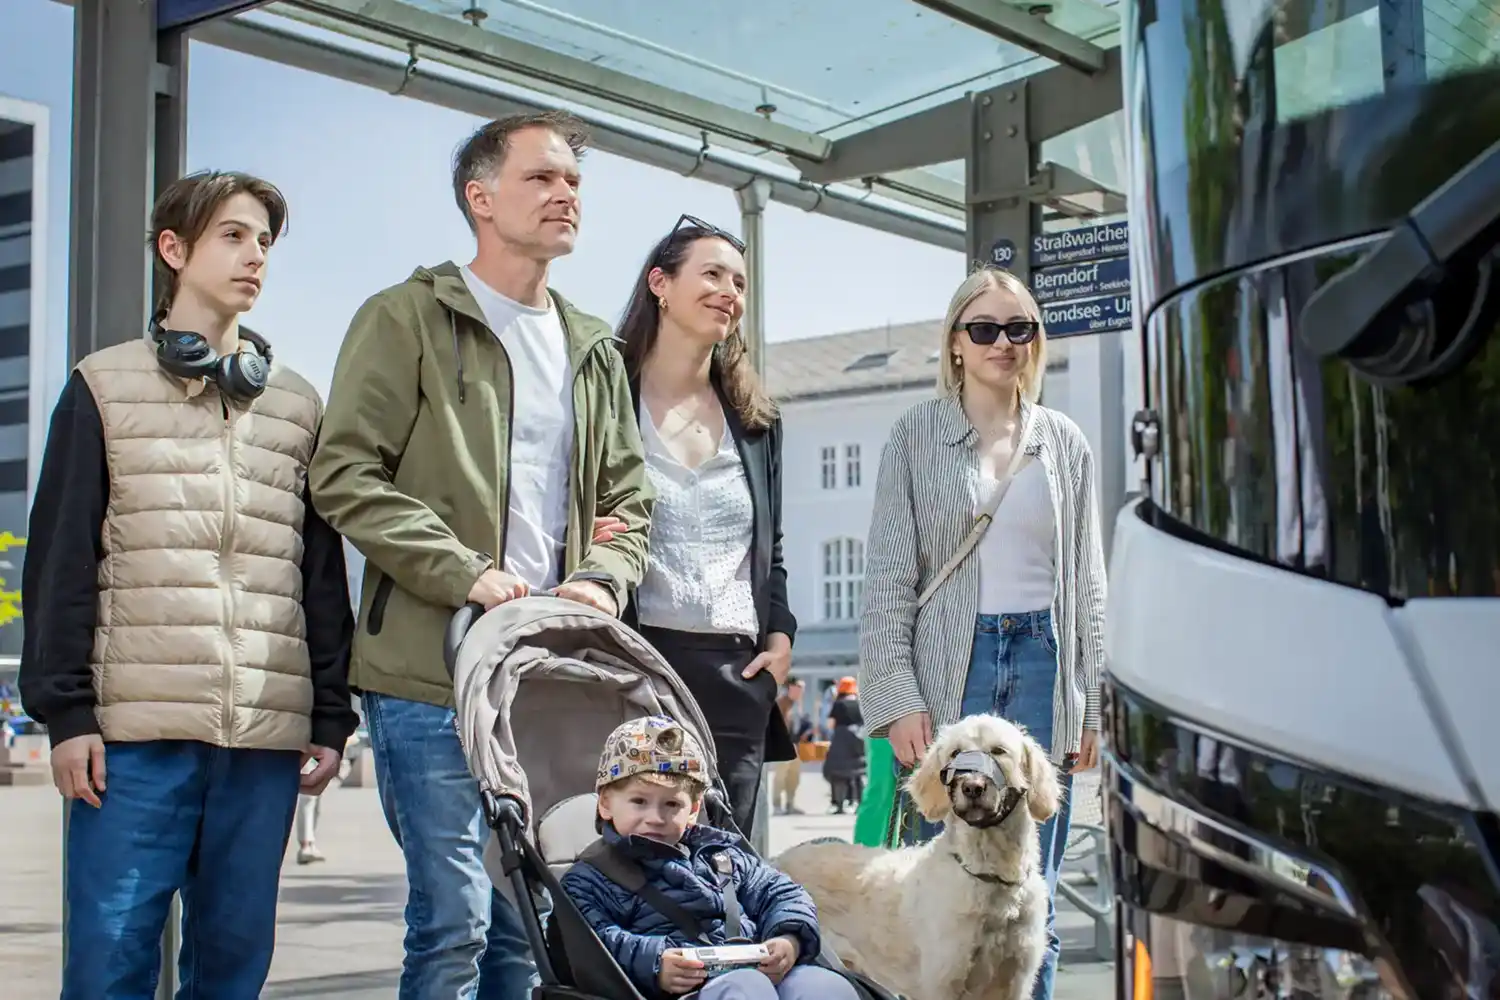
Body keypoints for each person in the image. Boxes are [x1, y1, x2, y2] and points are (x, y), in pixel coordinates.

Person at [307, 110, 654, 1000]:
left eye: (574, 181)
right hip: (428, 673)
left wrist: (600, 580)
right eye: (542, 178)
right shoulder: (405, 318)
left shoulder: (594, 349)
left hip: (545, 679)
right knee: (455, 921)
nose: (565, 194)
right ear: (481, 196)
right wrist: (465, 570)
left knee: (526, 927)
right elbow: (343, 473)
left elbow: (626, 500)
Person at [18, 170, 359, 998]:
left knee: (234, 968)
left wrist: (328, 712)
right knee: (109, 965)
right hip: (134, 741)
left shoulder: (297, 404)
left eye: (265, 242)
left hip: (262, 744)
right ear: (174, 249)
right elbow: (61, 560)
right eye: (233, 236)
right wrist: (66, 713)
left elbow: (318, 573)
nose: (255, 257)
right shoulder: (102, 386)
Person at [859, 263, 1107, 1000]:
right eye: (986, 329)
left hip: (1042, 660)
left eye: (1019, 329)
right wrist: (897, 696)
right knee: (939, 894)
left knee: (1037, 893)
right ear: (956, 344)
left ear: (1036, 341)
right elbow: (887, 579)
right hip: (950, 663)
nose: (1004, 343)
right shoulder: (915, 435)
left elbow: (1088, 581)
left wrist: (1092, 699)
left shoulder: (1063, 441)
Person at [614, 215, 797, 838]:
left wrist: (780, 638)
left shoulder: (756, 420)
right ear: (660, 283)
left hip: (736, 671)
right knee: (637, 863)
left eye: (739, 282)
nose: (730, 292)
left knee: (726, 865)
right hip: (639, 662)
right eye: (712, 274)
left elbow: (769, 547)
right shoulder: (608, 396)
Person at [560, 716, 858, 1000]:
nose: (655, 817)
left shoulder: (721, 858)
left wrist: (788, 939)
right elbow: (595, 941)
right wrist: (655, 963)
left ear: (693, 810)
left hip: (748, 971)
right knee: (745, 987)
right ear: (606, 804)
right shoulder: (591, 878)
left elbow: (783, 893)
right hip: (671, 989)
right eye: (639, 801)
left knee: (824, 985)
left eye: (672, 804)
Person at [821, 677, 865, 814]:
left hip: (840, 741)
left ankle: (839, 804)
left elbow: (830, 724)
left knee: (838, 774)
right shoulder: (859, 703)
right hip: (857, 741)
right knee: (858, 773)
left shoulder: (839, 704)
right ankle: (860, 804)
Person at [771, 676, 807, 815]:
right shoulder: (782, 702)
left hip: (795, 744)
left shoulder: (797, 703)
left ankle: (790, 804)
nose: (800, 692)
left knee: (794, 776)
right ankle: (777, 805)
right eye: (799, 689)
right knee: (780, 776)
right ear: (791, 688)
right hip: (784, 743)